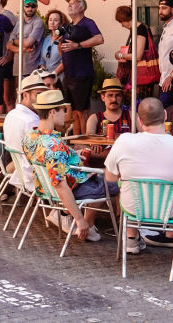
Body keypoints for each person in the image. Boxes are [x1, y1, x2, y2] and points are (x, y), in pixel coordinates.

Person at [104, 97, 173, 265]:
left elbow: (110, 177)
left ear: (139, 121)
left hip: (135, 209)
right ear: (165, 115)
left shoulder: (124, 141)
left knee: (123, 182)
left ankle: (132, 239)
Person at [23, 89, 109, 242]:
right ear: (52, 112)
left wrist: (71, 154)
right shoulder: (54, 146)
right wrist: (79, 219)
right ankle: (91, 225)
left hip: (44, 188)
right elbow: (60, 185)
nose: (66, 114)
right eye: (63, 110)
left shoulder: (30, 136)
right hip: (70, 189)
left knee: (104, 174)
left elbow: (47, 158)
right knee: (115, 181)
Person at [58, 0, 104, 135]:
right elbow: (63, 52)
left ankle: (84, 144)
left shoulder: (87, 22)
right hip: (69, 73)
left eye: (74, 2)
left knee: (82, 110)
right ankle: (76, 142)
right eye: (69, 3)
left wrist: (78, 45)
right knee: (73, 112)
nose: (70, 5)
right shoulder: (68, 26)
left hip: (82, 73)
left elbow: (100, 38)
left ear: (82, 7)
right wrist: (59, 41)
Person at [3, 73, 46, 193]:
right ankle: (64, 210)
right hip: (30, 171)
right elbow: (42, 152)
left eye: (43, 94)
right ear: (25, 95)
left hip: (16, 165)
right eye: (38, 94)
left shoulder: (11, 114)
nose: (42, 98)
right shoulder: (32, 120)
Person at [113, 5, 158, 100]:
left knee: (139, 104)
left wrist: (120, 55)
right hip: (137, 75)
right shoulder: (136, 29)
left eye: (121, 22)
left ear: (125, 19)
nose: (122, 25)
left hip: (140, 77)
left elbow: (138, 56)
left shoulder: (140, 29)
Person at [8, 0, 45, 80]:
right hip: (18, 68)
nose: (30, 8)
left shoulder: (38, 22)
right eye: (27, 6)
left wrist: (14, 41)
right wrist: (22, 49)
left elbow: (28, 43)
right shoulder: (19, 22)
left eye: (33, 6)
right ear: (23, 7)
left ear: (36, 7)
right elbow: (8, 45)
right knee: (18, 92)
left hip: (31, 69)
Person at [39, 9, 68, 79]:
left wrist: (53, 75)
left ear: (61, 23)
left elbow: (66, 60)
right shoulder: (46, 39)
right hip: (47, 79)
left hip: (60, 78)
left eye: (56, 20)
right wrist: (45, 73)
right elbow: (42, 61)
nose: (52, 22)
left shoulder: (65, 38)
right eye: (50, 20)